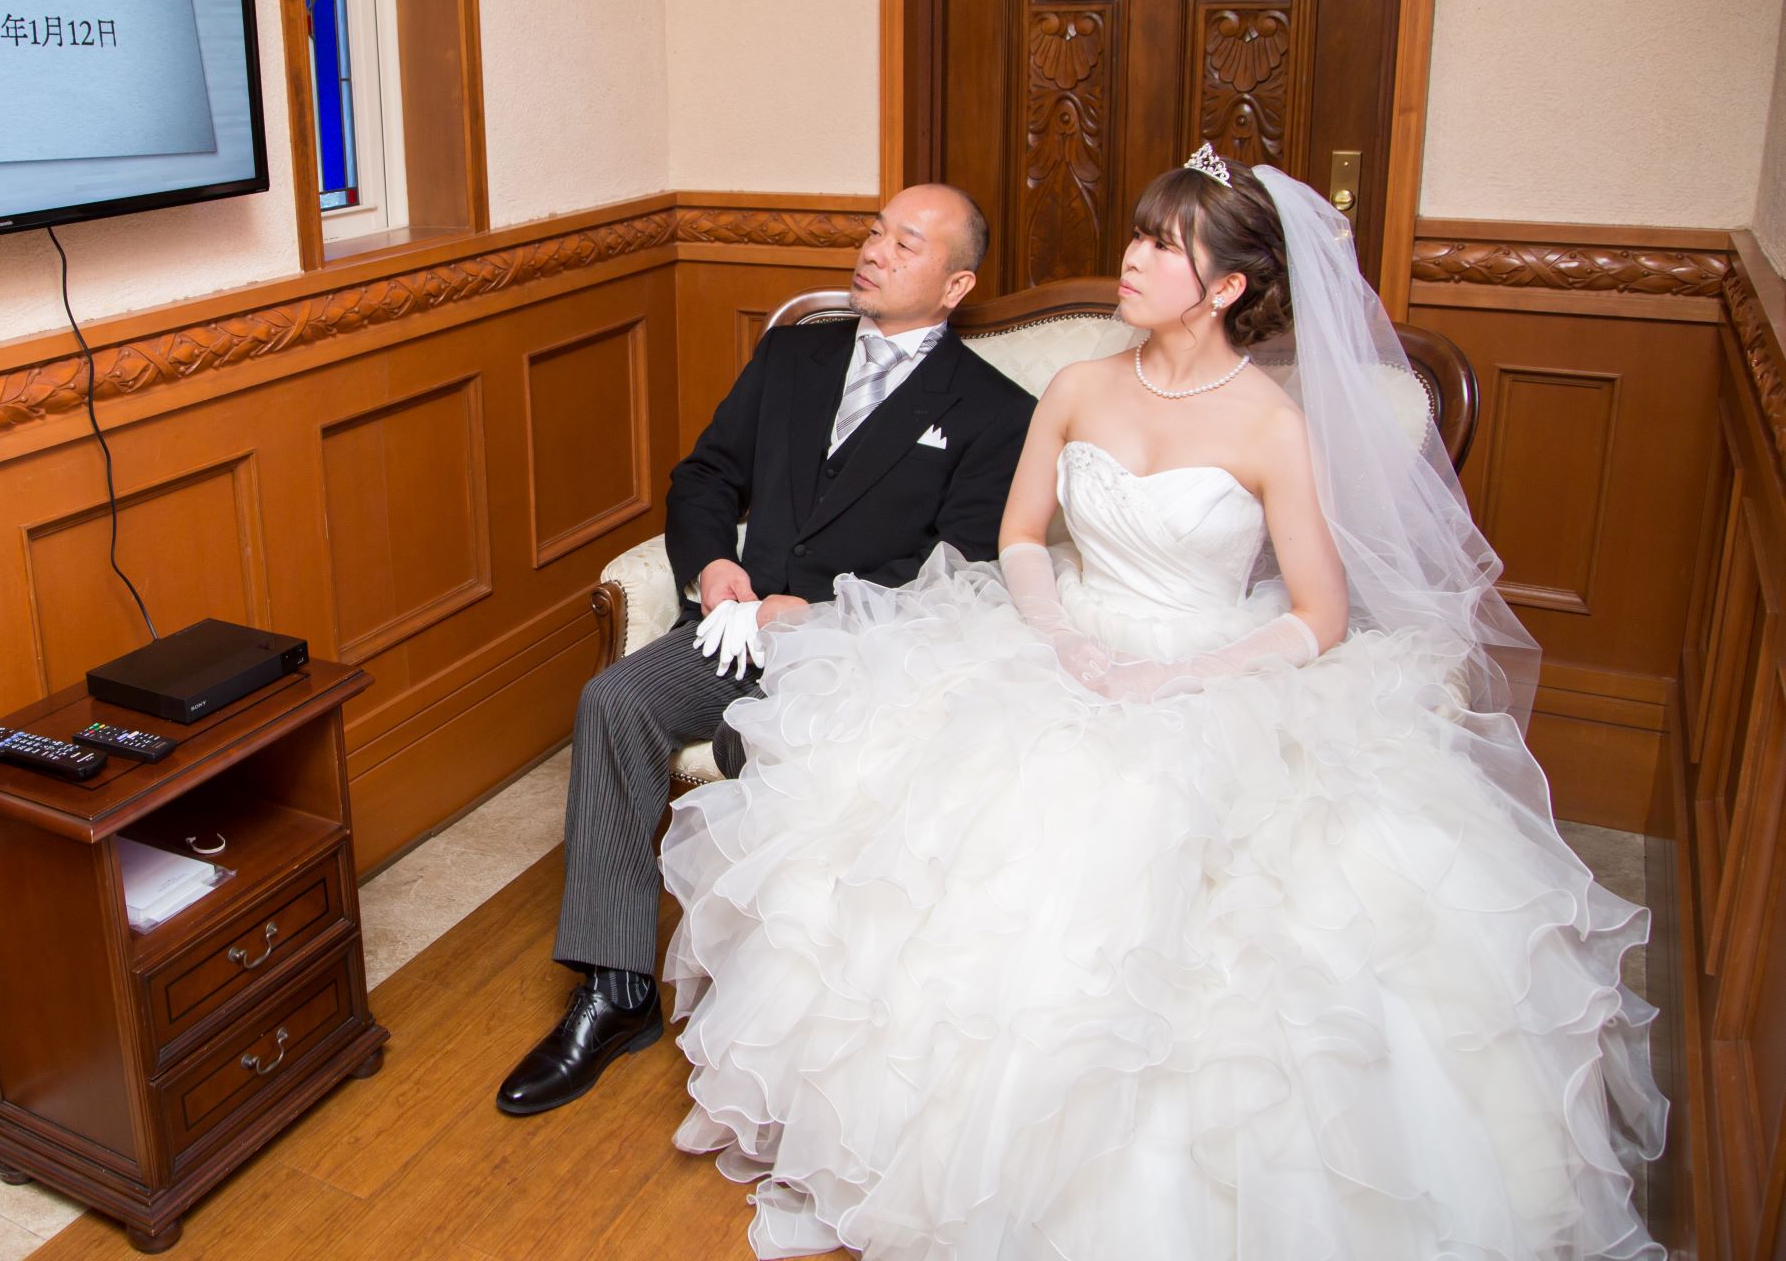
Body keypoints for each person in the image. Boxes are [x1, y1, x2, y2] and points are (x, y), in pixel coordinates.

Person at [658, 149, 1668, 1259]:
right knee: (906, 827)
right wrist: (1057, 634)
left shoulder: (1271, 424)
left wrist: (1179, 679)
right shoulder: (1078, 387)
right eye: (1137, 237)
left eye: (1161, 247)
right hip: (1052, 637)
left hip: (1208, 663)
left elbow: (1321, 614)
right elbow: (1018, 538)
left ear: (1225, 287)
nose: (1131, 262)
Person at [495, 183, 1039, 1118]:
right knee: (613, 700)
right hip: (734, 628)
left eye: (906, 244)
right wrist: (712, 566)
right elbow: (706, 474)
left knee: (762, 750)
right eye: (875, 231)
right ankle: (615, 990)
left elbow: (960, 570)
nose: (874, 251)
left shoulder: (996, 410)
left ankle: (775, 1007)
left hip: (861, 654)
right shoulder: (794, 352)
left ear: (955, 286)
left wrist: (819, 613)